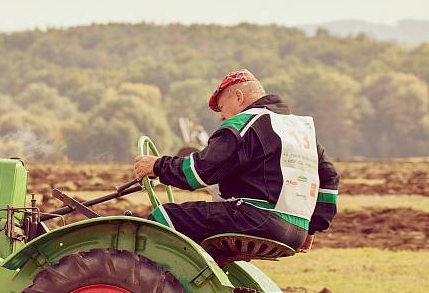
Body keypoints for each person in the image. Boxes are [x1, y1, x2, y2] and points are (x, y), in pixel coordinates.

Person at [133, 69, 340, 253]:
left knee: (163, 217)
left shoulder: (246, 122)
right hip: (296, 232)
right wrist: (312, 227)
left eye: (222, 107)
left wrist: (157, 166)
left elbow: (199, 172)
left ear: (239, 97)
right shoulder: (299, 129)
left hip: (257, 218)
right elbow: (330, 176)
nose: (222, 117)